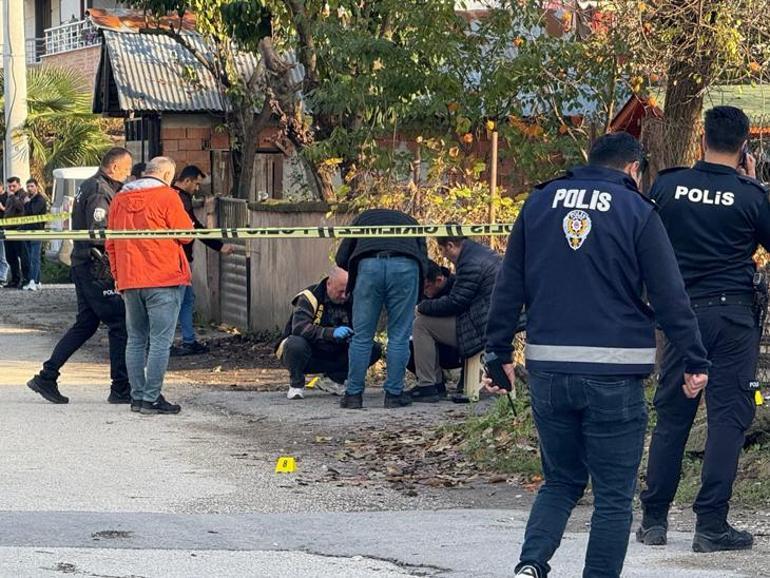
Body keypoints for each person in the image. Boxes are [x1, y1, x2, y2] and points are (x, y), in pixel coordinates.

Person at [484, 132, 710, 578]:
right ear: (633, 169)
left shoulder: (539, 202)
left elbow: (509, 283)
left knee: (561, 480)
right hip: (615, 370)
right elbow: (670, 295)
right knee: (612, 495)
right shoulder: (637, 211)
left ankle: (530, 566)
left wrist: (497, 352)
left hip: (548, 368)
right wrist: (694, 359)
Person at [638, 106, 770, 553]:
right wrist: (755, 183)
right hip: (733, 319)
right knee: (729, 418)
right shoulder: (751, 195)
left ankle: (654, 520)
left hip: (680, 319)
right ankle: (710, 525)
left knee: (673, 416)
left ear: (702, 140)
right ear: (745, 147)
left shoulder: (668, 186)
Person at [27, 148, 133, 404]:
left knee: (86, 324)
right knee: (119, 323)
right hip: (95, 266)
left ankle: (47, 375)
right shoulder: (99, 190)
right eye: (127, 169)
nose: (129, 174)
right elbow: (99, 232)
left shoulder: (94, 185)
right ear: (114, 167)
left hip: (85, 264)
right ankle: (120, 387)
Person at [106, 156, 194, 415]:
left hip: (130, 279)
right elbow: (186, 236)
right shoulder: (168, 197)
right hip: (163, 278)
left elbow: (110, 243)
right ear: (167, 176)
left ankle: (137, 397)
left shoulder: (119, 199)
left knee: (135, 340)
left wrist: (119, 275)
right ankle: (151, 398)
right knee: (159, 342)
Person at [335, 208, 428, 409]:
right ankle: (394, 395)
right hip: (406, 267)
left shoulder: (363, 218)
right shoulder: (411, 221)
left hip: (369, 268)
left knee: (361, 336)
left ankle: (353, 396)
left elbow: (341, 257)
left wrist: (357, 267)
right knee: (399, 335)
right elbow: (423, 259)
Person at [411, 236, 500, 402]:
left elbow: (456, 302)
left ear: (450, 245)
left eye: (443, 251)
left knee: (421, 324)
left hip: (482, 326)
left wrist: (421, 308)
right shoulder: (481, 254)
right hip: (492, 321)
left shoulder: (470, 262)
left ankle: (429, 385)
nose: (444, 257)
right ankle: (435, 384)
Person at [275, 266, 382, 399]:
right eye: (340, 291)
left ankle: (334, 380)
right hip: (309, 353)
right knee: (295, 343)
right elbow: (299, 328)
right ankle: (296, 384)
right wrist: (330, 333)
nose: (344, 296)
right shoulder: (310, 296)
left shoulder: (353, 298)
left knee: (372, 348)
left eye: (347, 291)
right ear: (329, 284)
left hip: (336, 352)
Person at [169, 165, 235, 356]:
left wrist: (218, 245)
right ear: (187, 181)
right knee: (176, 301)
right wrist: (219, 246)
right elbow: (193, 228)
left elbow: (193, 227)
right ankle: (167, 343)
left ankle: (188, 340)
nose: (197, 188)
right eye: (196, 184)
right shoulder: (176, 199)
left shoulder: (182, 198)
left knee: (187, 299)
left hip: (182, 259)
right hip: (175, 260)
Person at [21, 178, 48, 291]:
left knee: (34, 258)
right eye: (28, 187)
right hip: (28, 231)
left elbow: (33, 212)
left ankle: (32, 281)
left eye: (32, 186)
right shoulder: (30, 199)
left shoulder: (40, 199)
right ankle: (37, 281)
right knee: (30, 257)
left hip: (36, 231)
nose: (29, 189)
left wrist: (27, 203)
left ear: (37, 187)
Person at [3, 177, 30, 289]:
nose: (11, 188)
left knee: (22, 256)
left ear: (19, 185)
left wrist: (13, 196)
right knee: (10, 257)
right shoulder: (9, 197)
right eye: (9, 186)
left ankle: (26, 279)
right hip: (8, 229)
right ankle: (15, 279)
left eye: (14, 186)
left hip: (18, 230)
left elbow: (21, 208)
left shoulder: (23, 195)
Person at [0, 183, 9, 286]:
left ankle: (3, 277)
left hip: (3, 230)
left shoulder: (7, 197)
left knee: (3, 256)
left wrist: (2, 207)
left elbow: (10, 211)